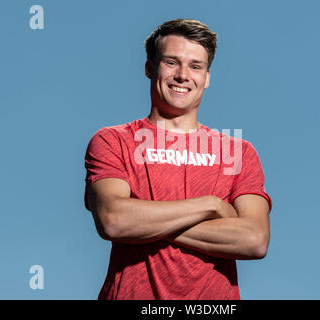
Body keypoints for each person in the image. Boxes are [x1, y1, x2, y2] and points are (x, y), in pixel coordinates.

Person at [84, 18, 272, 300]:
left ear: (207, 78)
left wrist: (144, 220)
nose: (183, 75)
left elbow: (254, 240)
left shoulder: (238, 151)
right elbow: (114, 220)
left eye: (195, 66)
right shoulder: (114, 140)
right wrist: (212, 206)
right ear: (149, 68)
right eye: (171, 62)